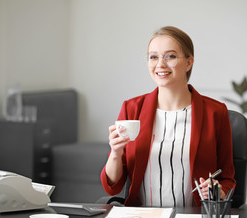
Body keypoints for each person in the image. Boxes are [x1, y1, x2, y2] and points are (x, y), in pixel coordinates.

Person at [100, 26, 235, 207]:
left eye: (170, 56)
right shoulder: (132, 109)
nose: (160, 64)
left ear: (189, 62)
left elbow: (227, 178)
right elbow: (112, 186)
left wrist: (218, 190)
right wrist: (116, 153)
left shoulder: (215, 112)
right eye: (153, 57)